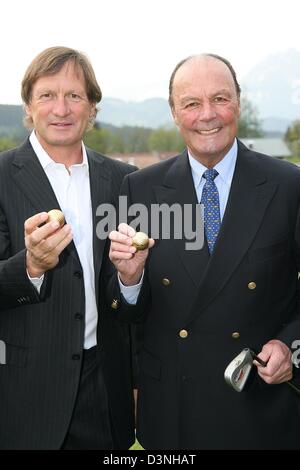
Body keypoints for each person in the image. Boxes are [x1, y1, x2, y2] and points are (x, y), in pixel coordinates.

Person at [108, 54, 300, 449]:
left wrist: (290, 345)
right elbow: (126, 313)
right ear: (175, 113)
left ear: (239, 104)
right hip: (175, 410)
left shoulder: (288, 185)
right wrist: (129, 279)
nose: (207, 115)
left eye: (220, 99)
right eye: (192, 103)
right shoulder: (140, 189)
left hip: (260, 403)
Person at [0, 46, 138, 450]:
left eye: (74, 96)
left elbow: (136, 301)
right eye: (47, 95)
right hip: (25, 391)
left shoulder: (124, 181)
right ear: (28, 104)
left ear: (91, 106)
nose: (61, 108)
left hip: (106, 385)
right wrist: (31, 266)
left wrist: (133, 280)